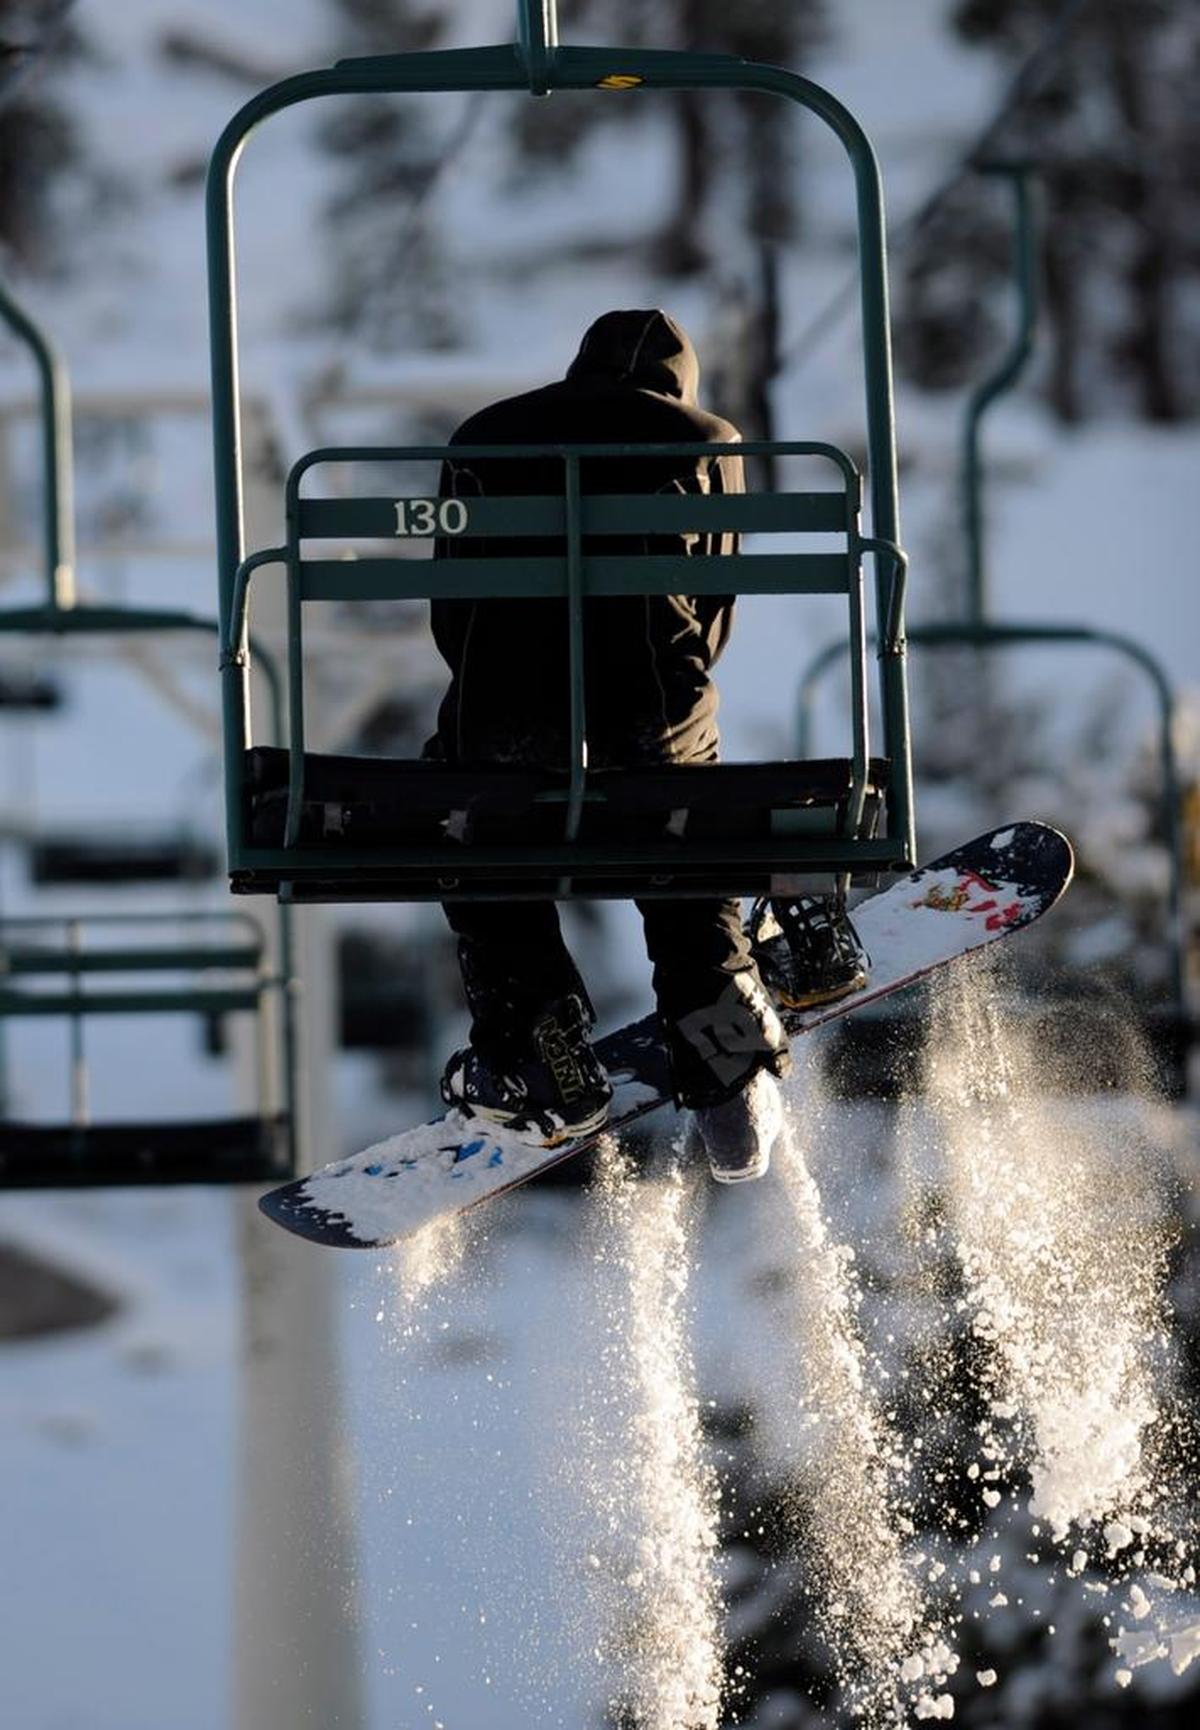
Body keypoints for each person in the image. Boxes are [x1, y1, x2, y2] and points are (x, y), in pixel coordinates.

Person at [426, 309, 866, 1181]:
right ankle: (728, 1068)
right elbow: (711, 607)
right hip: (652, 718)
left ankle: (536, 1039)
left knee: (466, 810)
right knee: (678, 809)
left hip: (504, 725)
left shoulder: (486, 434)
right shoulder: (709, 441)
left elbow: (453, 607)